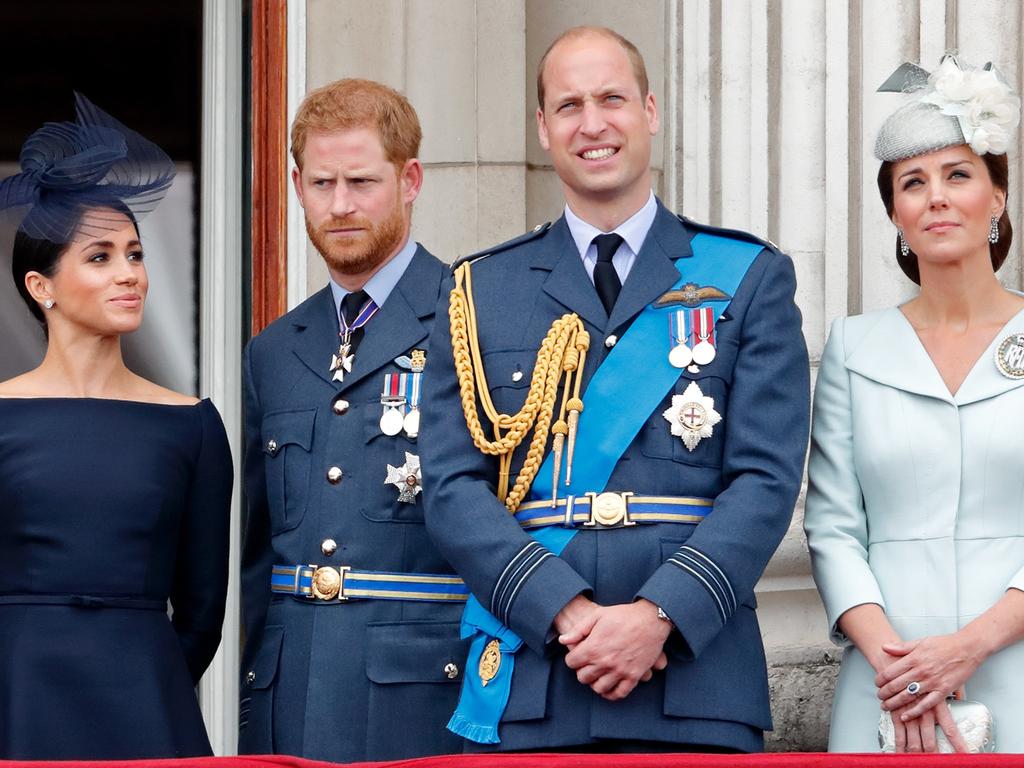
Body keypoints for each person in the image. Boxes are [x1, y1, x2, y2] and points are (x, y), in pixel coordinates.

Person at [421, 26, 809, 753]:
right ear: (542, 128)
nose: (592, 123)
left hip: (694, 682)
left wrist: (660, 615)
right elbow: (450, 488)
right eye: (568, 105)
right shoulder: (480, 289)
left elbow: (765, 479)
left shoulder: (748, 276)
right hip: (536, 676)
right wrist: (565, 612)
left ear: (651, 111)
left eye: (612, 99)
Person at [238, 78, 468, 762]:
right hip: (291, 695)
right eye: (321, 182)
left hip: (422, 699)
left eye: (362, 181)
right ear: (296, 185)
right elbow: (258, 561)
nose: (339, 205)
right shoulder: (274, 350)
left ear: (410, 179)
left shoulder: (474, 319)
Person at [0, 94, 232, 760]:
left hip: (145, 702)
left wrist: (143, 679)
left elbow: (201, 614)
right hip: (17, 693)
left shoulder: (191, 425)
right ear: (42, 287)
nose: (129, 274)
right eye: (100, 258)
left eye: (134, 254)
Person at [804, 55, 1024, 753]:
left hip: (1015, 661)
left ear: (996, 197)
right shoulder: (853, 346)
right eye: (912, 183)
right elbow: (832, 525)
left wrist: (970, 645)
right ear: (894, 212)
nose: (936, 197)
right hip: (886, 681)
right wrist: (898, 662)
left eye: (959, 175)